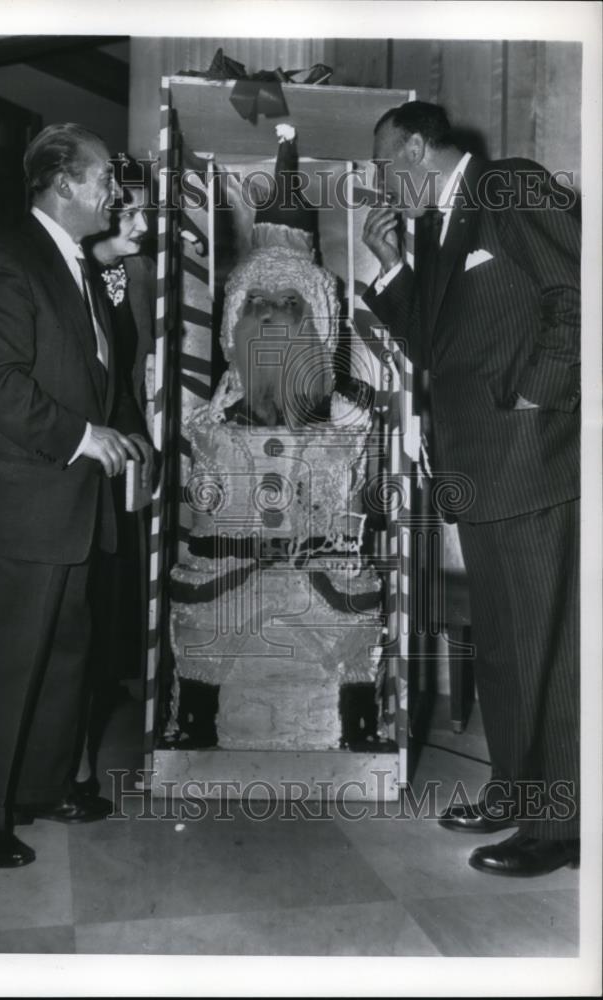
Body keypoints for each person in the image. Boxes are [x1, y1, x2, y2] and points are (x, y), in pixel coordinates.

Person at [361, 101, 580, 877]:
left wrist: (531, 398)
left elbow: (577, 295)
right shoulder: (441, 228)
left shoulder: (507, 188)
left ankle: (558, 827)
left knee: (545, 653)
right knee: (507, 652)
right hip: (480, 472)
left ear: (419, 147)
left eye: (386, 166)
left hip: (532, 459)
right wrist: (389, 269)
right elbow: (438, 344)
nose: (382, 183)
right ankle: (514, 794)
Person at [0, 124, 151, 869]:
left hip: (69, 506)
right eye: (102, 181)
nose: (113, 195)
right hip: (16, 502)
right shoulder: (3, 263)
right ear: (62, 183)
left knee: (63, 656)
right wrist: (83, 437)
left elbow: (101, 367)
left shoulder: (79, 268)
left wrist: (121, 435)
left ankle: (40, 786)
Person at [74, 156, 156, 794]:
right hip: (71, 453)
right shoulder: (72, 264)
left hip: (119, 449)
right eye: (123, 204)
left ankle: (89, 726)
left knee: (105, 597)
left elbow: (136, 367)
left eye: (141, 206)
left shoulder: (137, 271)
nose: (137, 219)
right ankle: (70, 762)